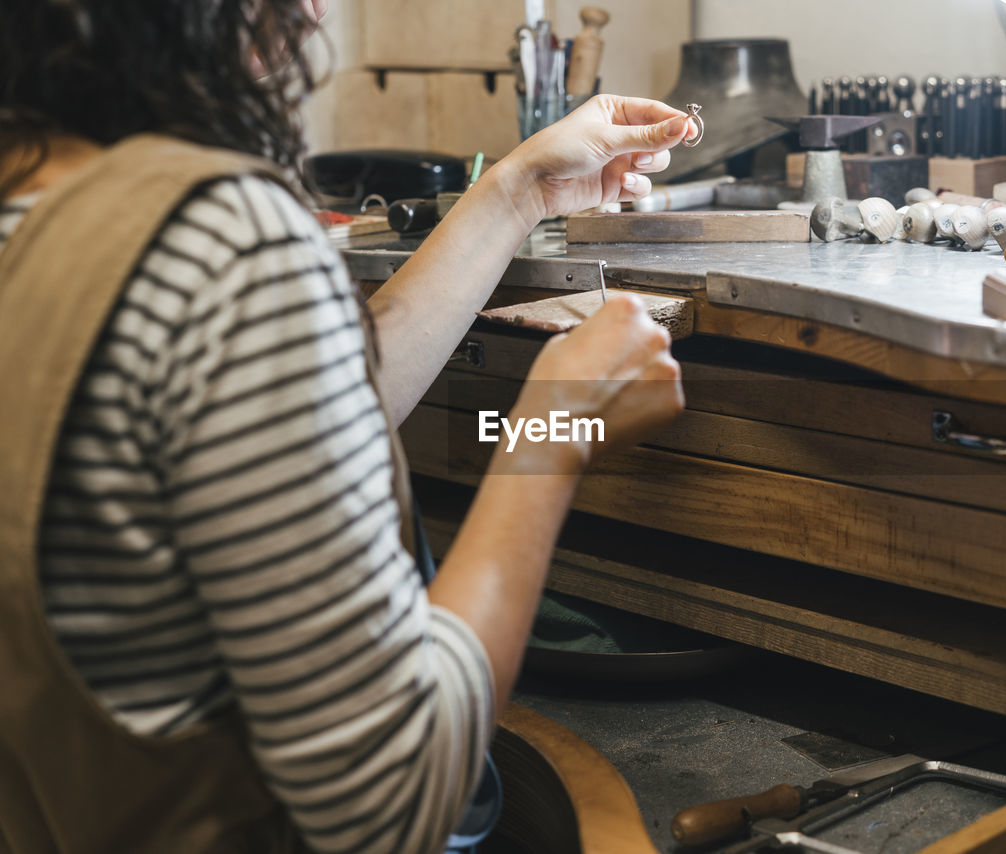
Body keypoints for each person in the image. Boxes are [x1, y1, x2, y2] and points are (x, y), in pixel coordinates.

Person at [0, 2, 689, 852]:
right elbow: (393, 802)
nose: (314, 7)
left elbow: (293, 433)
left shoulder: (43, 213)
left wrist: (518, 190)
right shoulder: (221, 243)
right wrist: (551, 433)